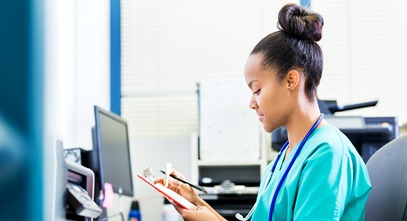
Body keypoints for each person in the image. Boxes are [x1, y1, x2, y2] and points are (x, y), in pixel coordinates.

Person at [156, 3, 371, 221]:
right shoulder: (278, 164)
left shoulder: (328, 154)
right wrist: (195, 202)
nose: (252, 103)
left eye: (257, 90)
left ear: (290, 80)